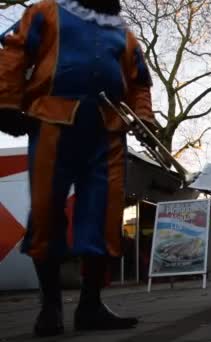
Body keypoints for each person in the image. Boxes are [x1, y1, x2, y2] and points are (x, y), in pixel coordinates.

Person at [0, 0, 153, 336]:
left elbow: (139, 83)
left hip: (108, 133)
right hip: (52, 123)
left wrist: (143, 117)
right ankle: (51, 305)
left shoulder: (125, 35)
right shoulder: (45, 12)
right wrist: (7, 101)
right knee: (45, 211)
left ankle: (91, 305)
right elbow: (15, 52)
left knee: (105, 214)